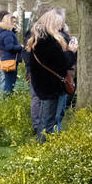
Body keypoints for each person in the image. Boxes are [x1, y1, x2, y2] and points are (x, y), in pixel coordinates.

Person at [25, 7, 75, 141]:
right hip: (51, 86)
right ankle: (44, 147)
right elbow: (63, 63)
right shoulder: (49, 42)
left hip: (43, 84)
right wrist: (71, 51)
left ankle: (43, 145)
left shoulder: (37, 39)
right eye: (58, 23)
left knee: (45, 119)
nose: (60, 26)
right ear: (52, 23)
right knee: (48, 121)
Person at [0, 12, 23, 96]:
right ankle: (7, 102)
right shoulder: (8, 34)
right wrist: (20, 47)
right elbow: (9, 47)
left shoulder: (4, 32)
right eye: (13, 22)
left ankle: (5, 102)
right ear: (8, 22)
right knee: (9, 84)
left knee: (8, 82)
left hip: (6, 59)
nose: (15, 24)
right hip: (10, 60)